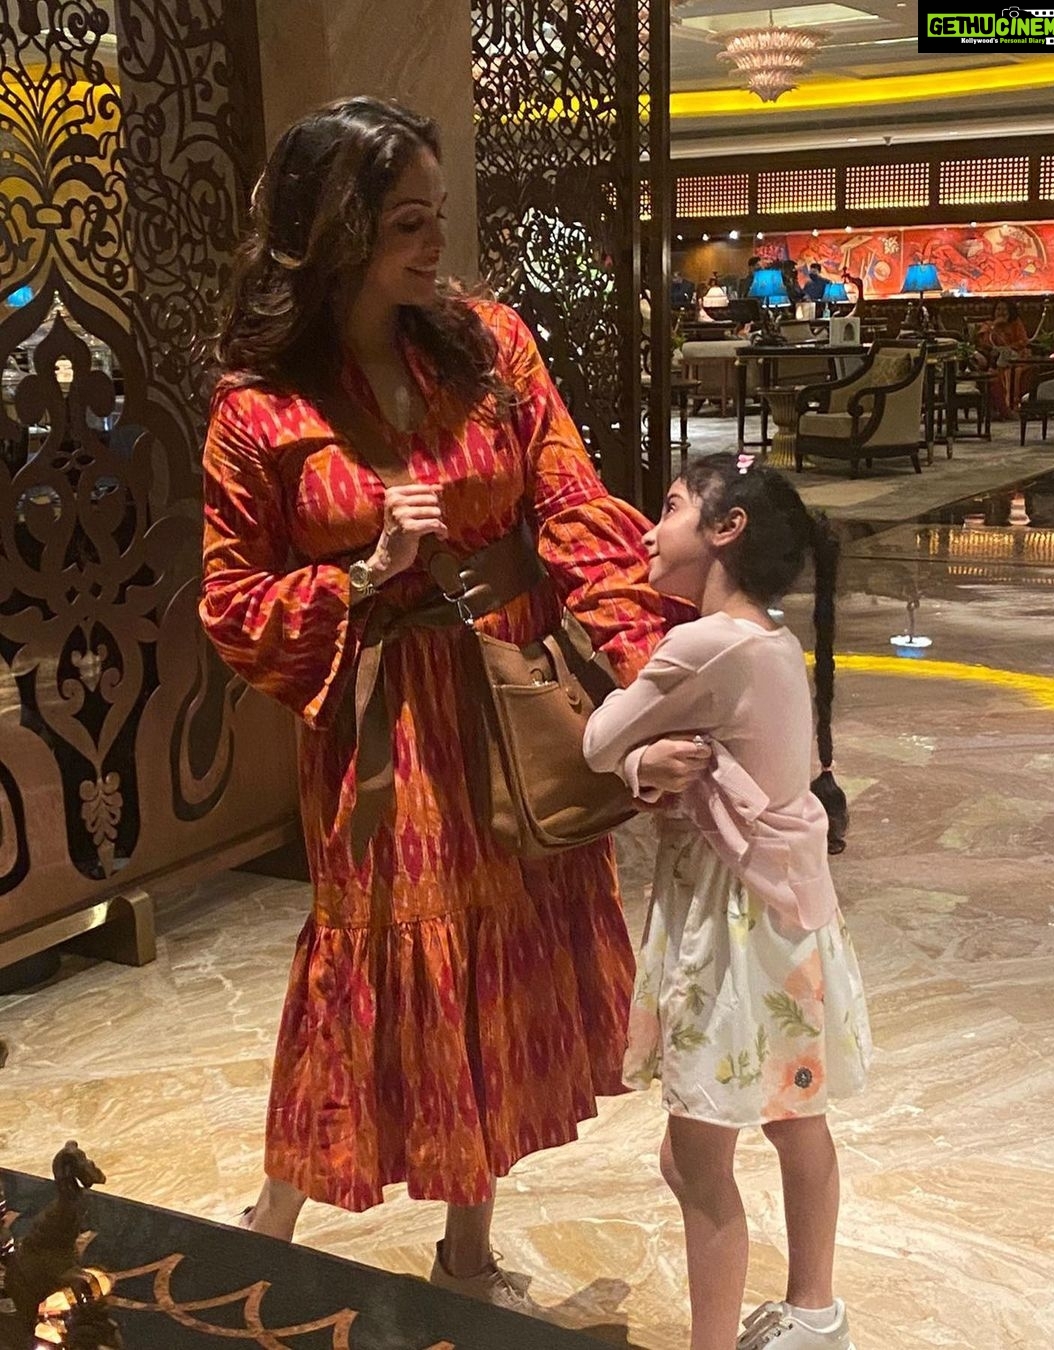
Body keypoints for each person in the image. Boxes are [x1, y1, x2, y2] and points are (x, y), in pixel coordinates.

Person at [199, 95, 688, 1310]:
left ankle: (468, 1251)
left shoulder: (493, 348)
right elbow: (231, 602)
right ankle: (269, 1224)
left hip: (508, 699)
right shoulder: (259, 407)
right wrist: (362, 574)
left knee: (502, 963)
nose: (435, 245)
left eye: (437, 215)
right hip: (381, 731)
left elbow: (573, 507)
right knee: (365, 967)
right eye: (406, 224)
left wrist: (650, 676)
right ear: (335, 230)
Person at [583, 455, 872, 1350]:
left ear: (726, 528)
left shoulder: (702, 644)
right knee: (795, 1116)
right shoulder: (768, 640)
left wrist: (637, 759)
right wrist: (651, 760)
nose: (649, 528)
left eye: (670, 507)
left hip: (729, 924)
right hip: (789, 914)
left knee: (693, 1156)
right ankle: (816, 1314)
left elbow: (597, 739)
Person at [976, 299, 1031, 419]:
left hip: (1017, 359)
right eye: (999, 309)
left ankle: (1016, 405)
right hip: (996, 361)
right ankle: (1006, 407)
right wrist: (995, 326)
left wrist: (1010, 347)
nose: (1001, 312)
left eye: (1005, 309)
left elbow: (1023, 341)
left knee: (1018, 371)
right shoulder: (988, 325)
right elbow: (985, 343)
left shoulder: (1016, 324)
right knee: (1002, 372)